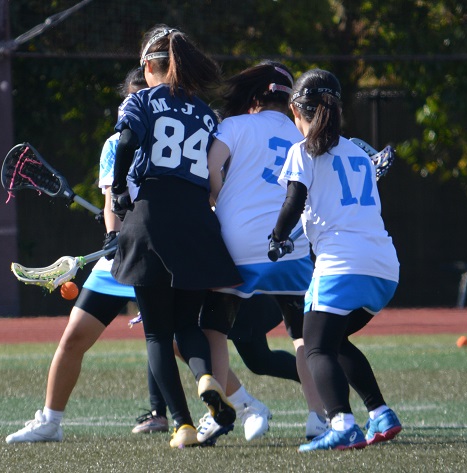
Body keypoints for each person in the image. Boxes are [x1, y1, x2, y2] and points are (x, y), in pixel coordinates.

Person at [110, 25, 242, 448]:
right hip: (197, 218)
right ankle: (207, 379)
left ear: (149, 67)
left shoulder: (143, 100)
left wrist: (118, 188)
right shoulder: (205, 112)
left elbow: (126, 140)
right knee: (187, 323)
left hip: (153, 213)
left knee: (156, 332)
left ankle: (183, 425)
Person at [6, 68, 149, 444]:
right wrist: (113, 236)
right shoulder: (114, 144)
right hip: (121, 257)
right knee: (73, 337)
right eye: (129, 99)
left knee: (178, 343)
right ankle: (50, 421)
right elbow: (111, 201)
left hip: (159, 255)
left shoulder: (170, 140)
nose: (133, 106)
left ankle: (240, 404)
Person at [269, 68, 402, 451]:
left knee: (316, 347)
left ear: (297, 111)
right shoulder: (358, 154)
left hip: (342, 265)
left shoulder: (302, 150)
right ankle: (380, 413)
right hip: (384, 268)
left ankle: (342, 424)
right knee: (334, 339)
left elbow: (294, 201)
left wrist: (277, 236)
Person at [197, 61, 328, 445]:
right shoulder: (303, 134)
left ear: (254, 97)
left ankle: (217, 414)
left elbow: (208, 168)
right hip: (290, 245)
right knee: (303, 337)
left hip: (236, 243)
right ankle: (319, 418)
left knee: (213, 330)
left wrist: (220, 199)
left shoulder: (234, 125)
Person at [132, 294, 301, 442]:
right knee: (174, 336)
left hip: (237, 284)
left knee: (259, 360)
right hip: (205, 283)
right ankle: (242, 406)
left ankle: (315, 386)